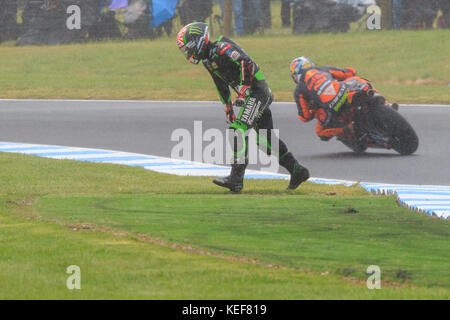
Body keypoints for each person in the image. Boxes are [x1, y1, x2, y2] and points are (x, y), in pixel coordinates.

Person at [176, 22, 310, 193]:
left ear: (198, 41)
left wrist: (245, 87)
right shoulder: (208, 61)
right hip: (250, 96)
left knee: (237, 130)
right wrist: (227, 107)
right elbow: (220, 82)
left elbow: (245, 63)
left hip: (258, 92)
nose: (187, 53)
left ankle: (236, 179)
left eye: (188, 48)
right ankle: (298, 171)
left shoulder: (222, 48)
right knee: (265, 141)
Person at [290, 57, 398, 144]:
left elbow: (304, 117)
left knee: (320, 132)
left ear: (295, 76)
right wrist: (349, 71)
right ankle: (385, 103)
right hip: (344, 93)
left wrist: (313, 111)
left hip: (331, 108)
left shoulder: (299, 90)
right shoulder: (323, 69)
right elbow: (349, 73)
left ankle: (349, 129)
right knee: (357, 80)